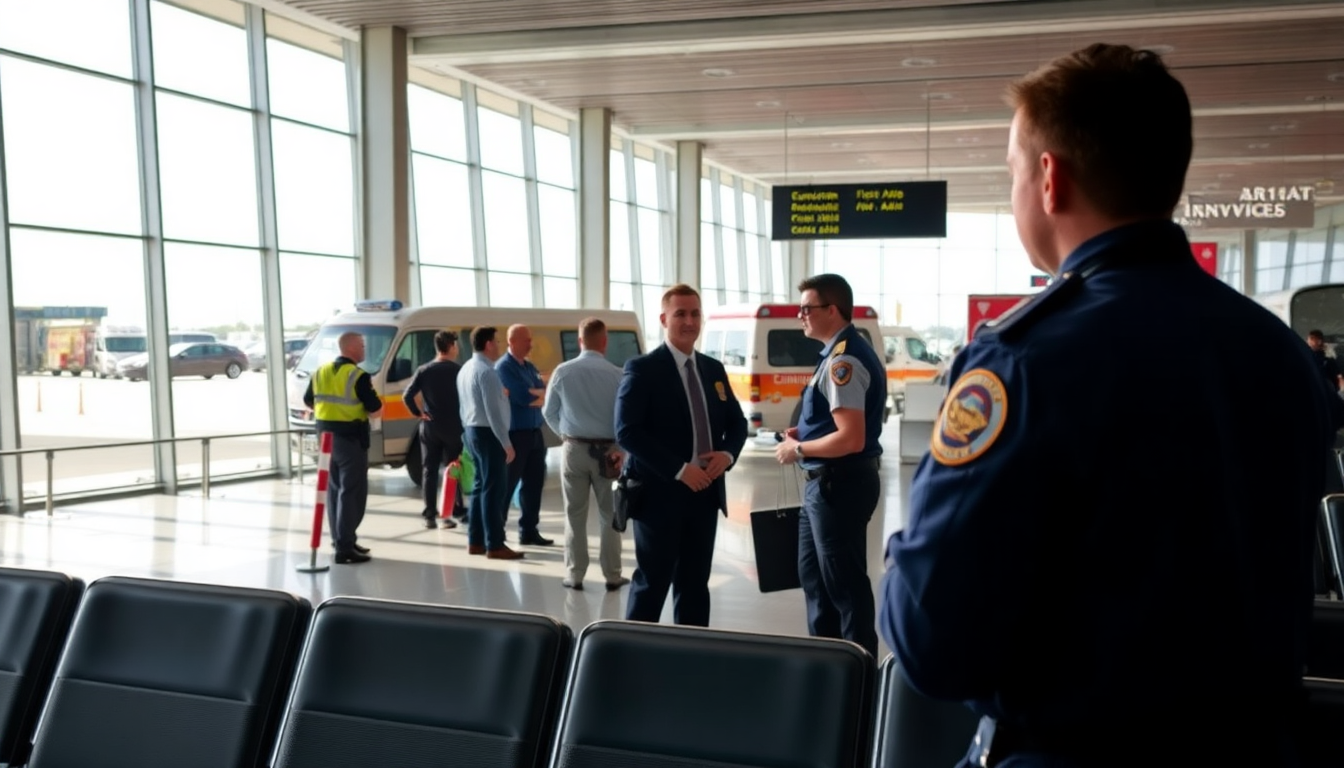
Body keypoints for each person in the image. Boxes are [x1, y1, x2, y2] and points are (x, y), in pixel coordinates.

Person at [878, 43, 1343, 768]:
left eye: (1012, 172)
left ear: (1050, 178)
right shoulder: (1278, 353)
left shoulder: (1023, 361)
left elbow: (931, 640)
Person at [615, 283, 748, 626]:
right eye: (680, 314)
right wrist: (678, 469)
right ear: (664, 319)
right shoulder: (643, 369)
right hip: (660, 495)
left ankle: (691, 653)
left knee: (694, 584)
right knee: (652, 583)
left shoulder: (713, 369)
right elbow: (627, 430)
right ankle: (631, 655)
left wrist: (728, 455)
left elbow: (737, 422)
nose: (689, 321)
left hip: (705, 494)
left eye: (695, 313)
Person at [773, 273, 885, 658]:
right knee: (815, 579)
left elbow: (851, 438)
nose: (800, 315)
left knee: (843, 585)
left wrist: (799, 448)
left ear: (832, 310)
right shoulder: (836, 354)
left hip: (839, 484)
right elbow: (837, 423)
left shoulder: (844, 360)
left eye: (807, 308)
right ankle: (826, 662)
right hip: (825, 484)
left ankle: (858, 672)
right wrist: (805, 430)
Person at [543, 317, 629, 592]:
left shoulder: (563, 371)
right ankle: (613, 575)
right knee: (609, 514)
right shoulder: (618, 374)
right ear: (604, 341)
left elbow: (548, 412)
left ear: (580, 341)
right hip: (609, 453)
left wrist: (566, 435)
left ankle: (575, 575)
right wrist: (621, 448)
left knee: (574, 514)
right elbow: (625, 418)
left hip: (574, 450)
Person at [303, 331, 382, 565]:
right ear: (350, 349)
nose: (364, 349)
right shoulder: (357, 376)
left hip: (326, 439)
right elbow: (375, 409)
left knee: (335, 490)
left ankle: (342, 540)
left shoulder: (320, 372)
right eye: (362, 345)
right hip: (349, 440)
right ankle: (345, 548)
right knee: (352, 493)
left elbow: (309, 401)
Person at [457, 326, 524, 560]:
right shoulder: (487, 372)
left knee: (479, 486)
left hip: (471, 430)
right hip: (488, 434)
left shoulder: (465, 368)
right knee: (494, 490)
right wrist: (506, 442)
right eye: (496, 341)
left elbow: (464, 406)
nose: (498, 346)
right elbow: (493, 412)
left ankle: (475, 541)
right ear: (487, 344)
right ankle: (495, 544)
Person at [496, 324, 553, 546]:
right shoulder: (504, 368)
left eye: (530, 339)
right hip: (515, 435)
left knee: (534, 484)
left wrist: (537, 395)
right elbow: (523, 397)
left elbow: (543, 393)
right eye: (526, 340)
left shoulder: (529, 367)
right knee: (508, 484)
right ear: (512, 342)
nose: (531, 344)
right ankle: (497, 531)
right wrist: (537, 395)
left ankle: (529, 530)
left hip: (535, 433)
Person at [402, 329, 465, 530]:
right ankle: (453, 510)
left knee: (429, 470)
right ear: (452, 346)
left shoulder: (424, 370)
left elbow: (407, 396)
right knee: (453, 468)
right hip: (454, 426)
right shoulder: (458, 371)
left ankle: (430, 514)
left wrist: (418, 413)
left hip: (430, 426)